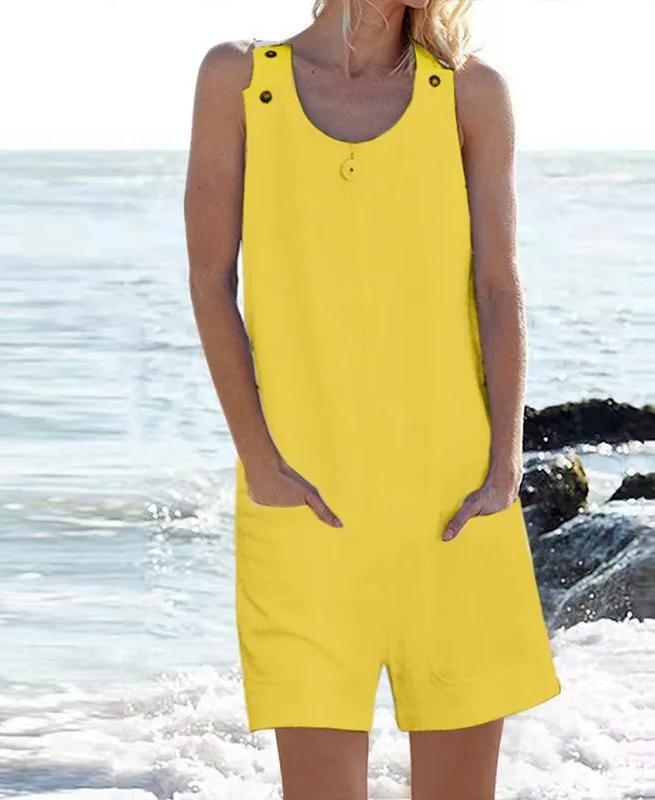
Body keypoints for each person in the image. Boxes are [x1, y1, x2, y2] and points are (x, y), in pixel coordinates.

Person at [184, 0, 561, 797]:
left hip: (455, 504)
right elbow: (211, 283)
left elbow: (499, 289)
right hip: (305, 505)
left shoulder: (470, 93)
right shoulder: (240, 79)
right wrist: (261, 463)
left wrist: (505, 468)